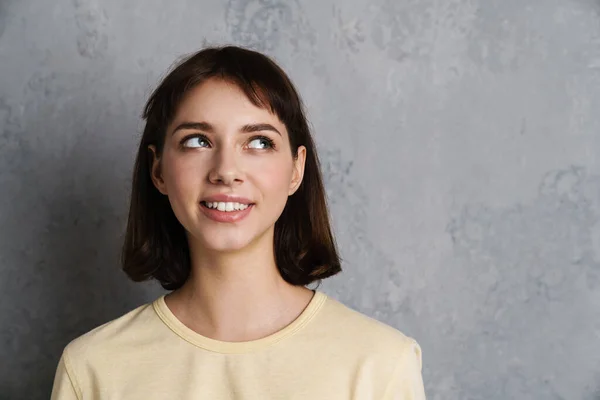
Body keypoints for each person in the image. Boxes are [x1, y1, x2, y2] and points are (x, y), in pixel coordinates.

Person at [50, 45, 426, 399]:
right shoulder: (93, 369)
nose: (226, 171)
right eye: (197, 141)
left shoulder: (381, 364)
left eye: (259, 142)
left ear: (296, 169)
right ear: (158, 169)